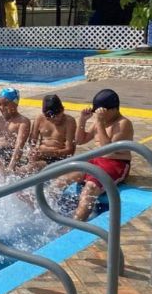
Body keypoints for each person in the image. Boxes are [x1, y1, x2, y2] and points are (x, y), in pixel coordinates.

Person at [57, 89, 134, 221]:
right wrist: (82, 120)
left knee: (90, 189)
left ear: (113, 109)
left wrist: (99, 122)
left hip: (115, 164)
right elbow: (80, 140)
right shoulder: (102, 121)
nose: (98, 114)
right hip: (96, 161)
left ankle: (75, 225)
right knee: (62, 179)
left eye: (101, 111)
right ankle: (51, 213)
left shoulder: (123, 123)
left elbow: (108, 150)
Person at [21, 95, 77, 174]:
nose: (55, 120)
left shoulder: (69, 122)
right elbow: (32, 142)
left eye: (57, 116)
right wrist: (32, 152)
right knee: (28, 168)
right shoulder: (40, 119)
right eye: (51, 118)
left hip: (57, 159)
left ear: (63, 110)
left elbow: (70, 150)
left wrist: (50, 153)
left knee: (30, 168)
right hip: (40, 157)